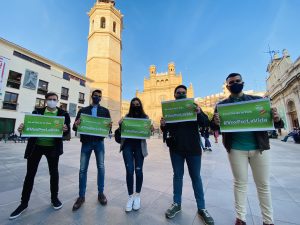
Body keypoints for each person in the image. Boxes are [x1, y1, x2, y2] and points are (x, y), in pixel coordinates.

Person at [211, 73, 284, 225]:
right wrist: (215, 122)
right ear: (227, 86)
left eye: (237, 81)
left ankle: (268, 220)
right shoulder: (221, 105)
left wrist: (276, 118)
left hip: (259, 149)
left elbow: (276, 124)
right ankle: (241, 218)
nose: (235, 83)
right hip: (236, 149)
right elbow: (214, 127)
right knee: (239, 184)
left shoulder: (257, 101)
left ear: (243, 82)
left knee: (263, 185)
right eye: (231, 82)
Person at [9, 92, 70, 220]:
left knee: (54, 173)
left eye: (54, 99)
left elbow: (67, 133)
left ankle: (54, 198)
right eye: (50, 99)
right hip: (35, 147)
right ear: (45, 100)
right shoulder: (37, 112)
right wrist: (22, 129)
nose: (52, 101)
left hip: (52, 148)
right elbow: (29, 127)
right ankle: (23, 203)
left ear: (57, 101)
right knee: (30, 174)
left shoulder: (63, 114)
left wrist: (65, 129)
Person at [160, 85, 214, 225]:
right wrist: (163, 124)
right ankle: (176, 204)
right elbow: (166, 129)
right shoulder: (170, 110)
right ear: (174, 95)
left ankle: (202, 208)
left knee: (196, 177)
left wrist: (199, 112)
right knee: (177, 177)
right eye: (178, 93)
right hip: (176, 148)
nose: (181, 94)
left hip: (193, 148)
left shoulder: (194, 107)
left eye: (184, 92)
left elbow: (205, 123)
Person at [72, 89, 111, 211]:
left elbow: (108, 130)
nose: (97, 97)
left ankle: (101, 193)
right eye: (95, 95)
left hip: (99, 142)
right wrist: (76, 124)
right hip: (86, 143)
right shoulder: (83, 111)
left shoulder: (105, 111)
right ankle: (81, 196)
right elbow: (74, 127)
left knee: (101, 167)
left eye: (99, 96)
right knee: (83, 169)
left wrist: (109, 127)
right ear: (91, 96)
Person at [118, 97, 153, 212]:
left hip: (139, 147)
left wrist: (150, 129)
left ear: (140, 105)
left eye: (137, 104)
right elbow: (120, 133)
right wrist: (120, 125)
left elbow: (148, 132)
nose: (135, 106)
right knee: (129, 171)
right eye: (133, 104)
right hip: (127, 145)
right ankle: (130, 196)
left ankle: (137, 195)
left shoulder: (145, 118)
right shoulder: (127, 117)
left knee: (138, 171)